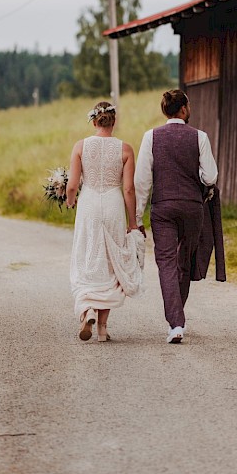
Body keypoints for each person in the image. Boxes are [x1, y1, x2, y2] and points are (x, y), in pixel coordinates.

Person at [135, 89, 218, 344]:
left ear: (165, 110)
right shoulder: (200, 137)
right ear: (183, 109)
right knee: (184, 262)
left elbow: (142, 181)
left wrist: (138, 217)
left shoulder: (151, 137)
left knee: (167, 263)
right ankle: (177, 319)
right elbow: (210, 177)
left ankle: (176, 322)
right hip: (193, 208)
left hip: (163, 209)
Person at [67, 101, 144, 342]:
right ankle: (102, 328)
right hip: (112, 204)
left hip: (89, 203)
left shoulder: (80, 146)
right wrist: (133, 222)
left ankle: (87, 309)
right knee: (110, 260)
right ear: (114, 122)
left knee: (88, 255)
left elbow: (72, 185)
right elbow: (129, 189)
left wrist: (70, 201)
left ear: (93, 121)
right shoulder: (126, 149)